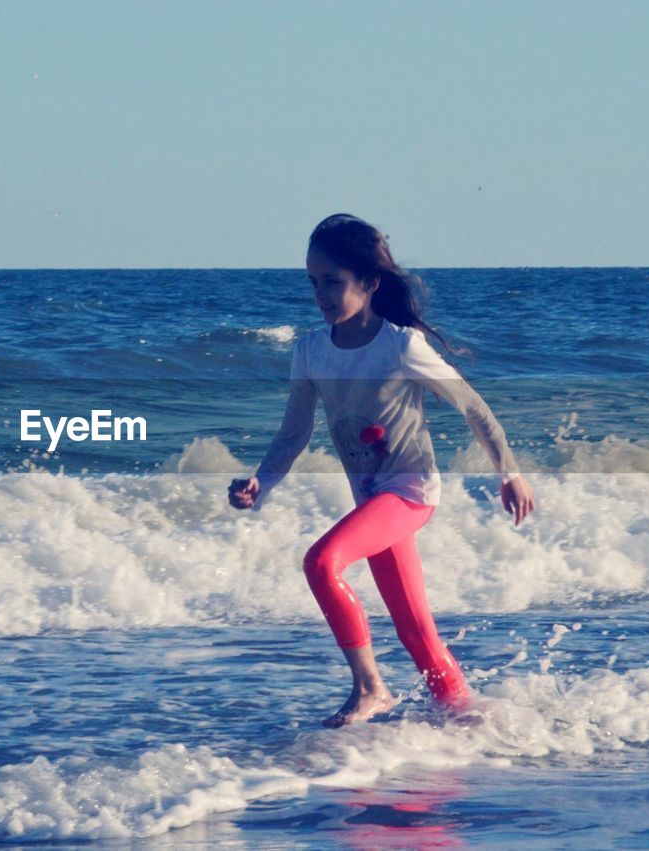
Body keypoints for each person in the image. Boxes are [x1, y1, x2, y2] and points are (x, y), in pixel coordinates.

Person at [228, 213, 536, 728]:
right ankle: (474, 726)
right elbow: (293, 433)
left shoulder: (400, 345)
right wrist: (261, 484)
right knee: (416, 632)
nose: (320, 294)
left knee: (323, 562)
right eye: (313, 282)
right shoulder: (310, 350)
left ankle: (371, 688)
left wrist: (510, 473)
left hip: (411, 491)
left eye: (333, 282)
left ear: (369, 284)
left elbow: (473, 408)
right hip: (372, 499)